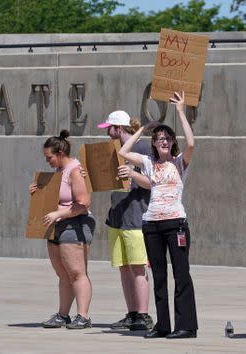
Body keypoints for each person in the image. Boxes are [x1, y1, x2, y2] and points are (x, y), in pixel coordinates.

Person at [119, 91, 198, 339]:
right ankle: (163, 325)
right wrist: (142, 129)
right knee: (160, 275)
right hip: (151, 223)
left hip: (175, 224)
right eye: (159, 138)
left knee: (181, 274)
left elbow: (192, 143)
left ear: (172, 142)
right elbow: (123, 152)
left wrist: (181, 112)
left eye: (167, 138)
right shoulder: (149, 163)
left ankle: (186, 326)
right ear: (154, 143)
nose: (163, 141)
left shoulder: (179, 163)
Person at [31, 130, 96, 330]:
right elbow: (55, 199)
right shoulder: (59, 172)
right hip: (56, 227)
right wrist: (38, 193)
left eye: (49, 157)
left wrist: (58, 213)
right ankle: (63, 315)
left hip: (74, 225)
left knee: (77, 272)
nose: (47, 161)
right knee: (63, 274)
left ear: (59, 153)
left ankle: (83, 316)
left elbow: (84, 203)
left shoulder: (75, 170)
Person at [97, 110, 154, 331]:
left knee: (139, 268)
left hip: (136, 216)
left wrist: (131, 172)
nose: (107, 133)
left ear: (118, 128)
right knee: (124, 268)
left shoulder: (141, 149)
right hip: (118, 216)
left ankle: (143, 315)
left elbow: (152, 182)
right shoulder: (112, 152)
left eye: (109, 129)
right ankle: (131, 313)